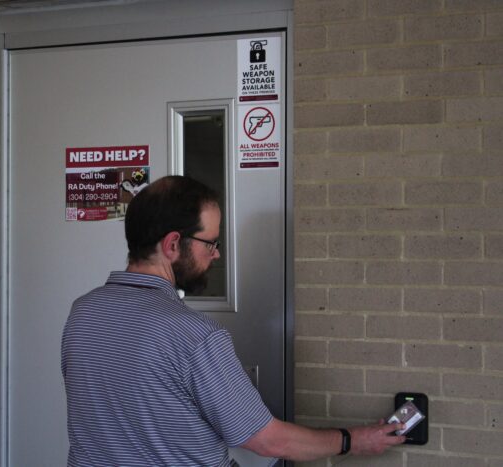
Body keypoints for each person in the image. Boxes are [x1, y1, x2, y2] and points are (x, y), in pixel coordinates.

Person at [61, 175, 405, 466]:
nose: (217, 254)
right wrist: (353, 441)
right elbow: (267, 441)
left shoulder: (82, 313)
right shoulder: (194, 336)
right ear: (172, 244)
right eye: (210, 243)